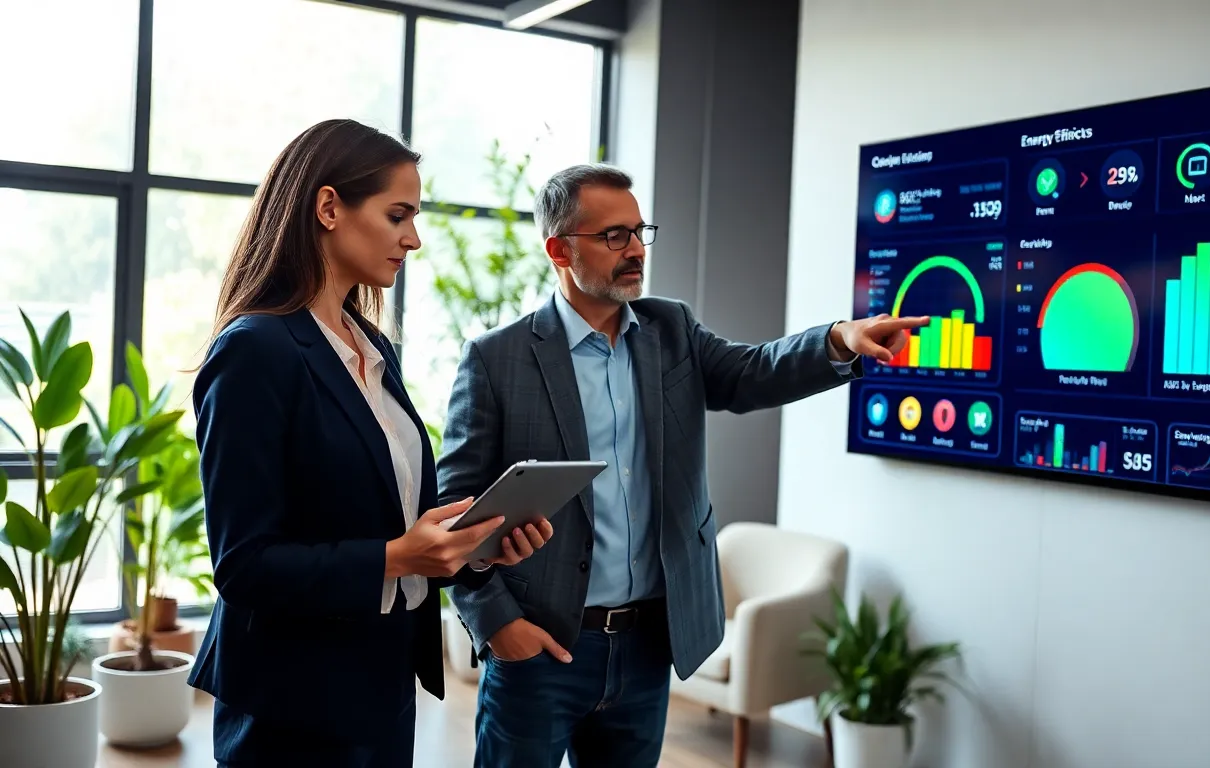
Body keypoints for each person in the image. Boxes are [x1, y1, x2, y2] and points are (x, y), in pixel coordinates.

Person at [435, 162, 928, 766]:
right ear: (559, 249)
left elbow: (753, 372)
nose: (636, 249)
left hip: (646, 647)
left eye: (641, 231)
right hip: (542, 645)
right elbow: (452, 509)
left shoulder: (672, 329)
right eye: (614, 236)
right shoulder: (496, 358)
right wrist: (496, 624)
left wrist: (837, 341)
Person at [188, 118, 553, 767]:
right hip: (292, 701)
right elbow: (243, 566)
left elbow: (388, 515)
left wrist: (473, 547)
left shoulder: (371, 346)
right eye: (398, 215)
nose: (413, 238)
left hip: (380, 680)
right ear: (328, 207)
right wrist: (398, 557)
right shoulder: (254, 351)